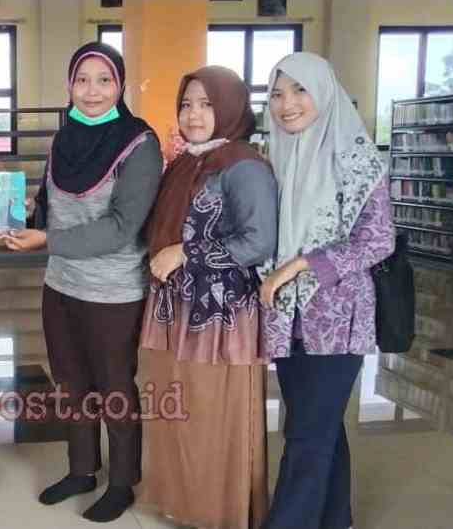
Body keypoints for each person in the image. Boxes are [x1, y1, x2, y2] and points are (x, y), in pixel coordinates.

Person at [5, 42, 163, 523]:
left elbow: (122, 226)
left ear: (120, 85)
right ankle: (81, 470)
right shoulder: (65, 137)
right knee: (70, 382)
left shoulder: (139, 143)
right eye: (82, 80)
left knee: (114, 387)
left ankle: (122, 482)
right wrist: (15, 204)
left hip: (113, 291)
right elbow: (48, 204)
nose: (92, 91)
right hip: (61, 283)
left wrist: (48, 239)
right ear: (69, 85)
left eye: (104, 80)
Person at [259, 52, 394, 529]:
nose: (287, 104)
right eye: (277, 94)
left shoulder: (357, 158)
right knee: (319, 426)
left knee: (306, 437)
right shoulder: (277, 157)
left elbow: (378, 239)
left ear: (325, 92)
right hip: (287, 319)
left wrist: (301, 264)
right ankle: (336, 519)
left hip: (337, 320)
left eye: (300, 90)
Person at [137, 66, 277, 529]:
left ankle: (221, 510)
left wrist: (185, 253)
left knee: (215, 412)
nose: (193, 115)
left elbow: (258, 242)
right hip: (176, 306)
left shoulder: (244, 165)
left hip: (220, 313)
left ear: (231, 107)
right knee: (181, 408)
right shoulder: (186, 163)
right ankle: (186, 503)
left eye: (206, 104)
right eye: (186, 104)